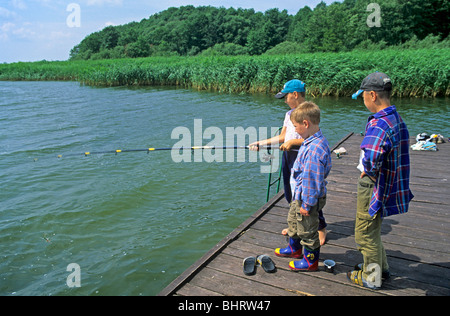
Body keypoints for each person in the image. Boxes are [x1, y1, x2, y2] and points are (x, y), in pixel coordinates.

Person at [349, 72, 414, 289]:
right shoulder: (396, 118)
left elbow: (371, 157)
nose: (364, 101)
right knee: (374, 230)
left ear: (372, 95)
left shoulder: (379, 124)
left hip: (373, 185)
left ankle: (372, 278)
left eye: (364, 97)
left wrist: (367, 171)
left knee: (364, 234)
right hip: (387, 184)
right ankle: (380, 268)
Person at [249, 79, 328, 245]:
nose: (285, 101)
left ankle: (320, 228)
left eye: (286, 97)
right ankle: (295, 225)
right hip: (289, 157)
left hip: (306, 159)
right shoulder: (288, 114)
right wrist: (260, 143)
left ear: (295, 94)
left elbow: (314, 140)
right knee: (290, 192)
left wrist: (293, 143)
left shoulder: (309, 112)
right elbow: (283, 137)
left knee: (307, 193)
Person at [274, 101, 331, 271]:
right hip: (299, 194)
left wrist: (307, 204)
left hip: (307, 198)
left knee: (307, 230)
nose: (295, 130)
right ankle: (294, 248)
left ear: (306, 124)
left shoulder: (314, 150)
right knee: (293, 221)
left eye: (296, 126)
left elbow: (312, 181)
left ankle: (310, 261)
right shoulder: (309, 140)